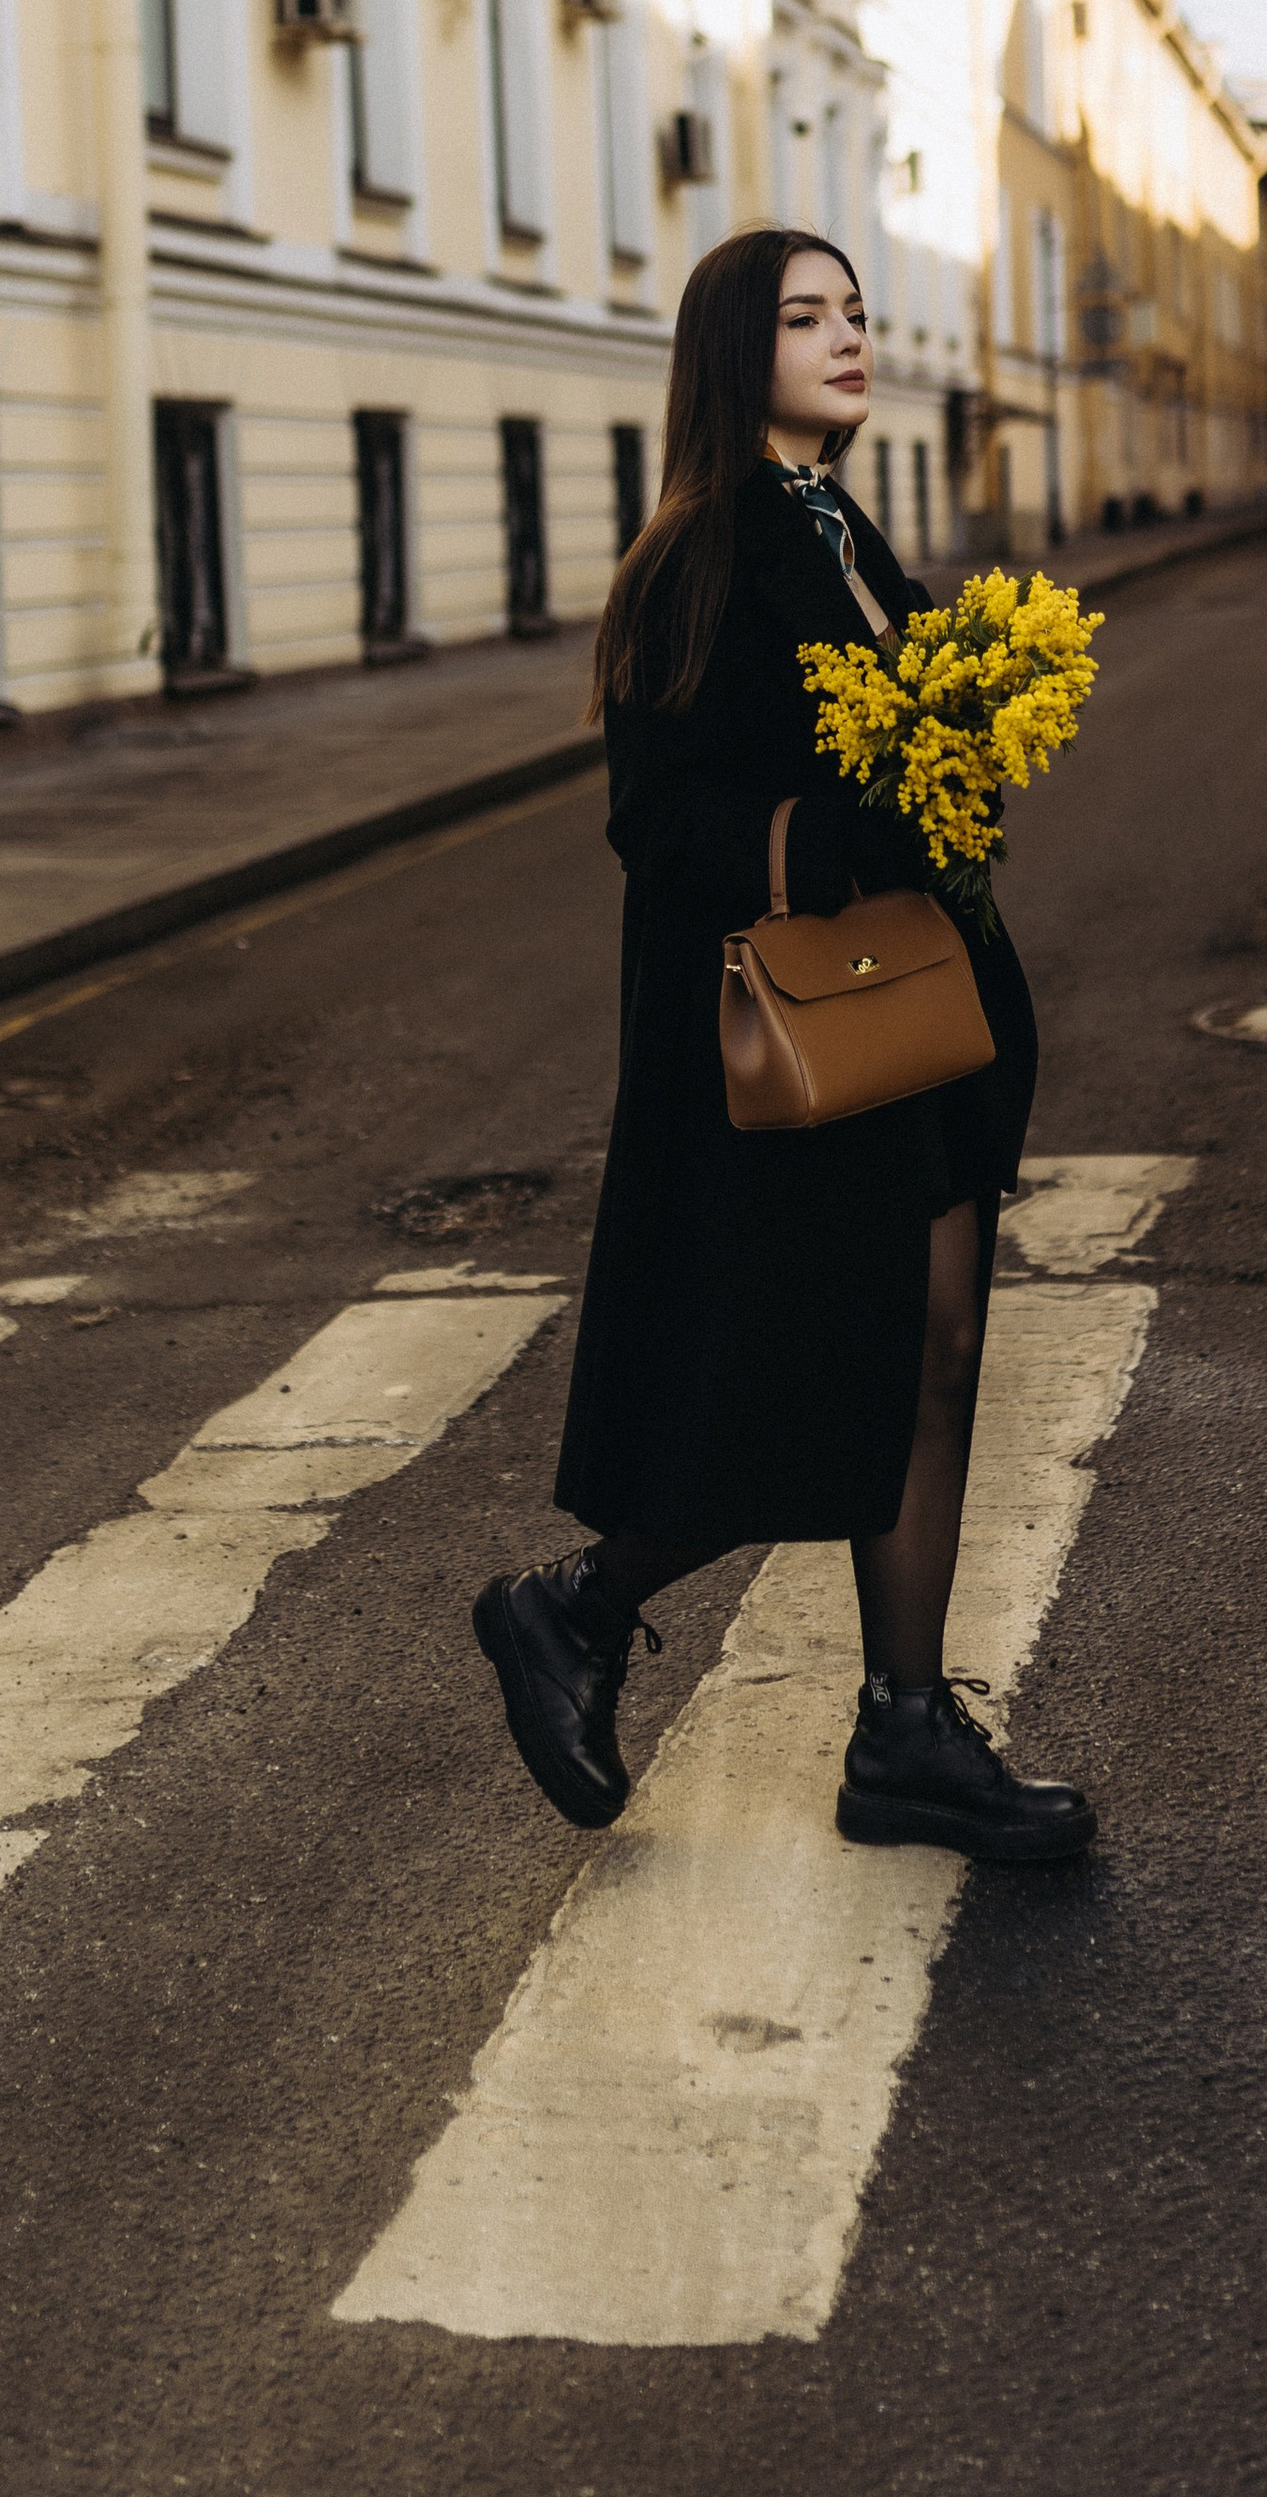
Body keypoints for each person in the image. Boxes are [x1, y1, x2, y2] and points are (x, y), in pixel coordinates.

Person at [471, 226, 1091, 1864]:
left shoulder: (837, 526)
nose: (851, 337)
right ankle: (578, 1608)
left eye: (859, 313)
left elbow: (901, 738)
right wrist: (847, 825)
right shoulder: (703, 545)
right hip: (805, 1045)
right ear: (734, 350)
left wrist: (964, 742)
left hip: (914, 1016)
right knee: (811, 1369)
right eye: (807, 315)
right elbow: (656, 819)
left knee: (936, 1353)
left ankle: (902, 1734)